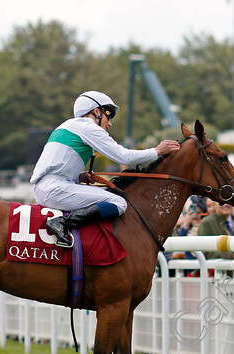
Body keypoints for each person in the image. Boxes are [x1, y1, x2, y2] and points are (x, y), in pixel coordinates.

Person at [30, 91, 180, 247]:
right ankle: (63, 223)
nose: (110, 123)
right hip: (54, 189)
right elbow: (124, 157)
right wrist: (157, 151)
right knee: (119, 203)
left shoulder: (68, 125)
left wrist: (79, 177)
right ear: (96, 111)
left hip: (48, 187)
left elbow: (59, 164)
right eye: (109, 115)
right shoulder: (87, 126)